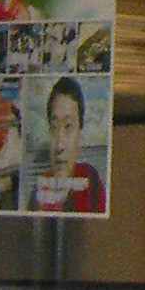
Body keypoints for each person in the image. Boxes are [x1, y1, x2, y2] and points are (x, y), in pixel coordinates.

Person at [32, 74, 105, 214]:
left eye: (68, 126)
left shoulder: (90, 180)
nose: (59, 145)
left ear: (80, 132)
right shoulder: (38, 191)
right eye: (54, 127)